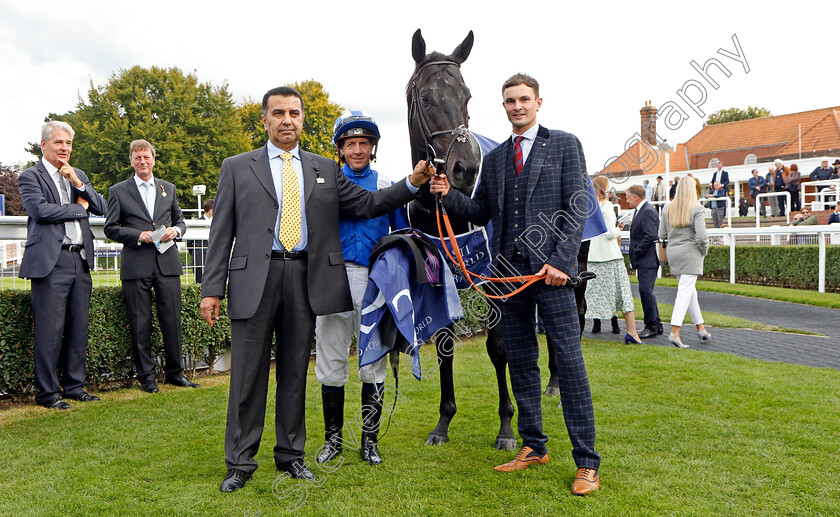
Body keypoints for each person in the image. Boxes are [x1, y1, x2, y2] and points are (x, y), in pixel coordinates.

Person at [200, 86, 435, 493]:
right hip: (254, 279)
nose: (286, 120)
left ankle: (291, 456)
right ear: (265, 120)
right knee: (247, 377)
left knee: (293, 373)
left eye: (294, 112)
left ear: (303, 119)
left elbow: (369, 203)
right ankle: (240, 462)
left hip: (304, 279)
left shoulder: (324, 168)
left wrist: (412, 183)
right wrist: (211, 289)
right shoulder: (236, 167)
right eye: (278, 113)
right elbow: (221, 233)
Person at [430, 73, 601, 496]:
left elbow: (578, 204)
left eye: (524, 99)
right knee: (521, 363)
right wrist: (446, 192)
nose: (517, 106)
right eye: (510, 101)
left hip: (553, 277)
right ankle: (534, 446)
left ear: (538, 102)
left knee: (571, 365)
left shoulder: (565, 144)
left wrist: (561, 260)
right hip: (509, 277)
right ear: (503, 106)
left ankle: (587, 463)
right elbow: (480, 209)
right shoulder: (498, 156)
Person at [314, 110, 407, 467]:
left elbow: (400, 233)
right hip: (333, 278)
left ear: (373, 147)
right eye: (350, 143)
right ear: (340, 149)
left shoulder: (385, 181)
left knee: (373, 363)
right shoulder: (324, 183)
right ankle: (333, 441)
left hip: (373, 280)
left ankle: (369, 442)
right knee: (331, 361)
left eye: (363, 143)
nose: (357, 149)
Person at [17, 121, 107, 409]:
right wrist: (79, 208)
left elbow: (103, 208)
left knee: (78, 327)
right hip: (50, 261)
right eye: (58, 143)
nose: (65, 148)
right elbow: (40, 211)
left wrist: (80, 186)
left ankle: (74, 386)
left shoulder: (77, 175)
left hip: (80, 259)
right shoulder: (30, 176)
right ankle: (47, 393)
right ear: (44, 145)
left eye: (68, 143)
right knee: (50, 331)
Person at [104, 139, 199, 393]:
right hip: (137, 264)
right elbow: (110, 228)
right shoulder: (118, 191)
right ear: (131, 161)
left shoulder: (169, 188)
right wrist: (139, 235)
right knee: (140, 322)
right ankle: (147, 377)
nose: (142, 162)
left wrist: (175, 231)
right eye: (137, 158)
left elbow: (181, 221)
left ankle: (175, 374)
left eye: (146, 157)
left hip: (167, 263)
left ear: (153, 159)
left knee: (172, 320)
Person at [586, 176, 642, 344]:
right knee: (623, 294)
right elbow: (611, 233)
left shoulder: (587, 207)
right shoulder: (607, 206)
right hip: (610, 257)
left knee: (587, 296)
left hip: (592, 256)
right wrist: (618, 229)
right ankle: (632, 332)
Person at [658, 176, 710, 349]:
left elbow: (662, 234)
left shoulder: (667, 207)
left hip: (673, 253)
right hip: (691, 253)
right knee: (685, 292)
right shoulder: (697, 208)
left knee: (689, 291)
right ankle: (675, 332)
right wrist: (704, 251)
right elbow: (702, 237)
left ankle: (701, 328)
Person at [623, 184, 662, 339]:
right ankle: (656, 324)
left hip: (648, 260)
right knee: (646, 292)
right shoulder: (641, 211)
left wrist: (637, 251)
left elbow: (651, 235)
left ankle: (651, 326)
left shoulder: (646, 211)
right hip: (644, 260)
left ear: (636, 197)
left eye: (627, 197)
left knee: (646, 292)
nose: (626, 201)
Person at [187, 198, 214, 283]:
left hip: (213, 259)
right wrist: (196, 254)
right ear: (211, 211)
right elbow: (189, 243)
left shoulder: (217, 223)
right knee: (199, 282)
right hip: (199, 258)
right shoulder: (196, 223)